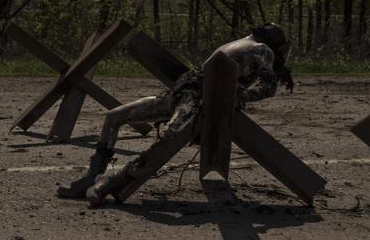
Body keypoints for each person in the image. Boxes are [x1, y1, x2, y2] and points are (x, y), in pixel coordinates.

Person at [55, 23, 294, 206]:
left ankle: (113, 179)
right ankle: (92, 176)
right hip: (183, 92)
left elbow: (266, 89)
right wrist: (241, 96)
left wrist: (237, 96)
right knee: (114, 116)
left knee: (169, 136)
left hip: (194, 98)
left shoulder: (255, 48)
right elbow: (268, 88)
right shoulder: (261, 49)